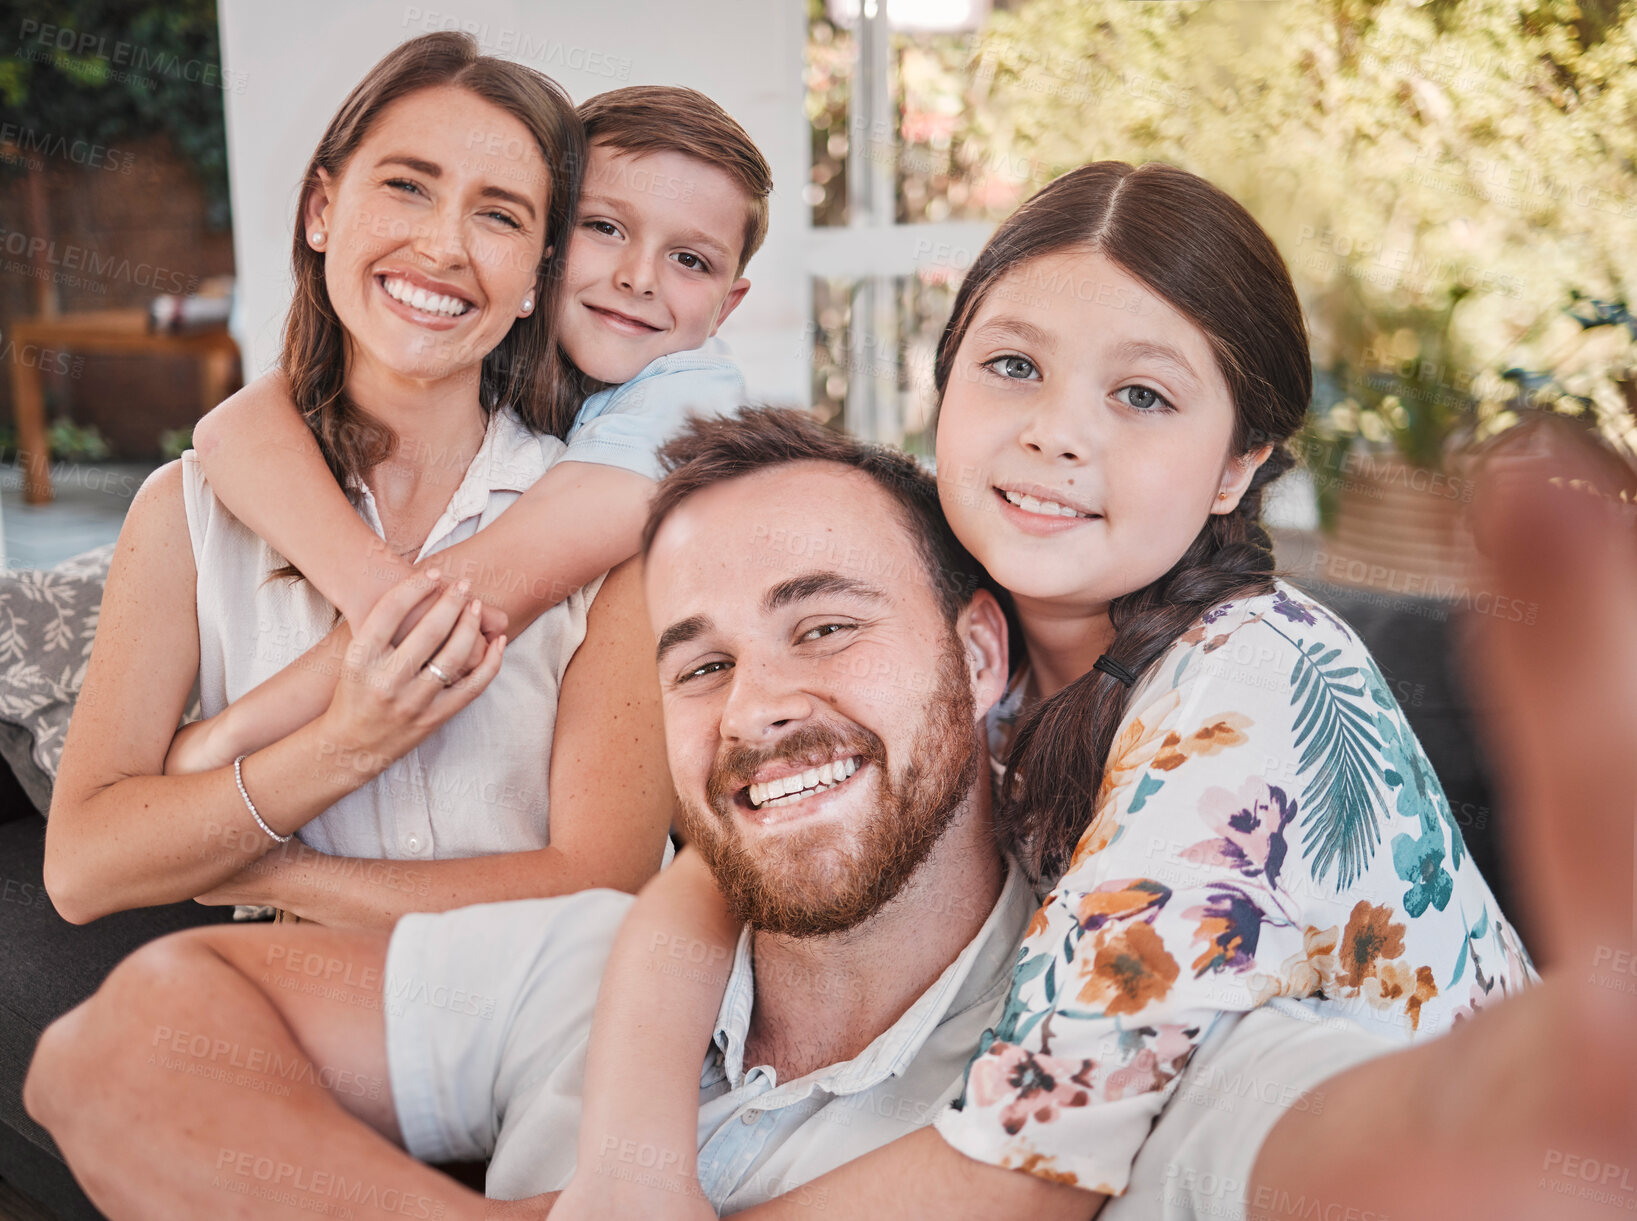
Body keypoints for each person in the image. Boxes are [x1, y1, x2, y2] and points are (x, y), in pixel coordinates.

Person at [24, 410, 1635, 1221]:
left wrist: (1539, 1116)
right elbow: (113, 1053)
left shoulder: (1117, 1033)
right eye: (698, 660)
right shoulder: (597, 964)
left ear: (981, 651)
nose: (757, 704)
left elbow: (1363, 1144)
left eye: (823, 623)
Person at [555, 161, 1537, 1218]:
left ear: (1235, 466)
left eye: (1141, 395)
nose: (1056, 433)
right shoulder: (949, 625)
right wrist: (625, 1167)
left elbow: (1019, 1175)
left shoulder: (1250, 683)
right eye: (1013, 366)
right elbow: (715, 870)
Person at [40, 35, 778, 925]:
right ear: (321, 210)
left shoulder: (635, 507)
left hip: (530, 1020)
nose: (442, 245)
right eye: (406, 185)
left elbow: (598, 882)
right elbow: (84, 871)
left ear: (532, 278)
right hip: (281, 1008)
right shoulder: (193, 506)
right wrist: (341, 746)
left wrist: (254, 818)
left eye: (500, 214)